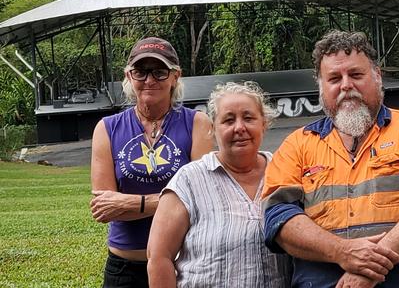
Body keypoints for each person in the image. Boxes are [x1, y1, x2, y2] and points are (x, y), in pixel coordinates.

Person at [262, 30, 399, 287]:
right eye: (334, 78)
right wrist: (342, 252)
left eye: (356, 75)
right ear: (321, 86)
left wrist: (366, 268)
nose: (346, 85)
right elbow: (278, 217)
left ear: (377, 76)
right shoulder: (297, 144)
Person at [90, 37, 213, 288]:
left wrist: (132, 202)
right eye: (140, 71)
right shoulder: (107, 128)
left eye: (159, 72)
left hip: (184, 264)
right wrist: (177, 201)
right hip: (124, 267)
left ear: (175, 76)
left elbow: (203, 198)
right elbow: (105, 209)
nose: (149, 80)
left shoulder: (197, 123)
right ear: (128, 76)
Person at [146, 81, 291, 287]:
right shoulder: (189, 180)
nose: (239, 128)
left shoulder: (286, 172)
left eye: (248, 118)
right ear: (213, 128)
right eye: (228, 120)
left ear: (264, 123)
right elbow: (159, 257)